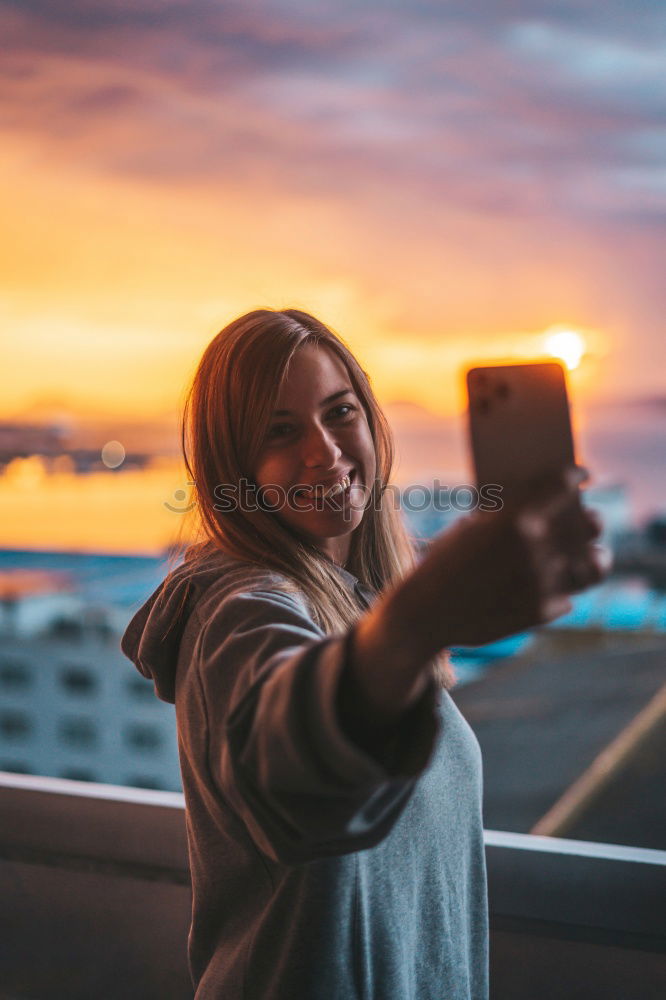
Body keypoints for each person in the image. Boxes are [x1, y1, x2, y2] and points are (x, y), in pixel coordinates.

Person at [121, 308, 608, 999]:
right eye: (279, 431)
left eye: (339, 412)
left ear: (372, 422)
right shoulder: (238, 607)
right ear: (233, 465)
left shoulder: (360, 604)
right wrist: (420, 620)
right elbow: (287, 767)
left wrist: (408, 620)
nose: (322, 451)